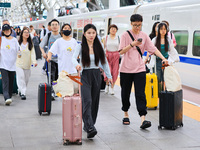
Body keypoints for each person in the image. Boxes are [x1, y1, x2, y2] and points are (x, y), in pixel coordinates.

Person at [119, 14, 168, 129]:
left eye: (139, 25)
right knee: (125, 93)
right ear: (131, 24)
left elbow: (153, 49)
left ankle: (143, 118)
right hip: (126, 69)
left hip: (140, 69)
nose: (137, 27)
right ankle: (126, 113)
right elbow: (121, 51)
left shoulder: (144, 35)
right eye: (135, 25)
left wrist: (163, 58)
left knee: (140, 93)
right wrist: (133, 44)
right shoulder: (125, 35)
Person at [72, 24, 112, 139]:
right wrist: (77, 65)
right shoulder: (80, 46)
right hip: (85, 75)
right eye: (89, 33)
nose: (91, 35)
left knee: (94, 101)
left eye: (93, 33)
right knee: (87, 100)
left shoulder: (98, 46)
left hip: (96, 75)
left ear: (96, 34)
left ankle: (90, 124)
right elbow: (73, 58)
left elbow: (104, 62)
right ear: (84, 34)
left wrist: (109, 76)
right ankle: (90, 127)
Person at [47, 23, 78, 92]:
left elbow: (77, 53)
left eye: (69, 28)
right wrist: (49, 57)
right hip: (63, 70)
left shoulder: (73, 41)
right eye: (65, 28)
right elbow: (50, 51)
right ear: (62, 30)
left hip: (73, 69)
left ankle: (72, 103)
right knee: (65, 91)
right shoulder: (59, 41)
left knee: (75, 89)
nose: (67, 30)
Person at [152, 22, 179, 91]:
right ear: (159, 30)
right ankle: (159, 92)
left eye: (164, 29)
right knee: (158, 77)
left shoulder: (168, 39)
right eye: (161, 29)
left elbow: (171, 50)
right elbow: (151, 50)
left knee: (166, 77)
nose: (163, 31)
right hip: (157, 61)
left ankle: (166, 92)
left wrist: (170, 60)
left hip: (166, 61)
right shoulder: (155, 39)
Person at [40, 19, 61, 100]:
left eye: (56, 24)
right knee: (51, 76)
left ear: (59, 26)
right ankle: (52, 91)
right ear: (50, 27)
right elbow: (41, 45)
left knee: (57, 76)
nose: (54, 26)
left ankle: (55, 90)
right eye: (53, 25)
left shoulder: (61, 36)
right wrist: (43, 53)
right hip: (50, 60)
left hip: (60, 60)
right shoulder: (48, 35)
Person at [0, 24, 19, 105]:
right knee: (5, 81)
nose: (7, 31)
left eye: (8, 30)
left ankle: (9, 96)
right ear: (3, 32)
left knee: (11, 81)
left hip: (12, 64)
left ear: (10, 31)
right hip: (3, 64)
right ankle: (6, 97)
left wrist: (20, 54)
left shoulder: (14, 40)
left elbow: (18, 50)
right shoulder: (1, 39)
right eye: (5, 30)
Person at [16, 27, 37, 100]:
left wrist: (34, 62)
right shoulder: (18, 43)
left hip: (27, 65)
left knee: (26, 79)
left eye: (27, 32)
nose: (26, 34)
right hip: (18, 64)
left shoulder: (30, 44)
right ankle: (23, 93)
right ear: (22, 34)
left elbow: (33, 54)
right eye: (25, 32)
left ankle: (20, 89)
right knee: (21, 77)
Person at [102, 24, 120, 95]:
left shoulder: (118, 38)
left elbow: (120, 47)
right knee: (108, 71)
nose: (113, 30)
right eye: (112, 28)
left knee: (115, 72)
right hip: (107, 55)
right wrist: (104, 55)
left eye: (115, 29)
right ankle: (107, 85)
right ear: (109, 30)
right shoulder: (105, 37)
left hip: (116, 55)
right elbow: (103, 48)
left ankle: (112, 87)